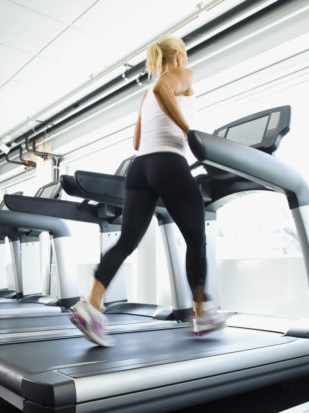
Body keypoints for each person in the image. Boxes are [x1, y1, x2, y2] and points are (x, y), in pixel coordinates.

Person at [69, 35, 229, 347]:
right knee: (196, 236)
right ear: (180, 56)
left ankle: (91, 306)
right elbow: (162, 88)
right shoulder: (182, 75)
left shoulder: (146, 95)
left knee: (127, 241)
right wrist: (188, 132)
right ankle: (201, 312)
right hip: (169, 162)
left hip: (139, 167)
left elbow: (137, 142)